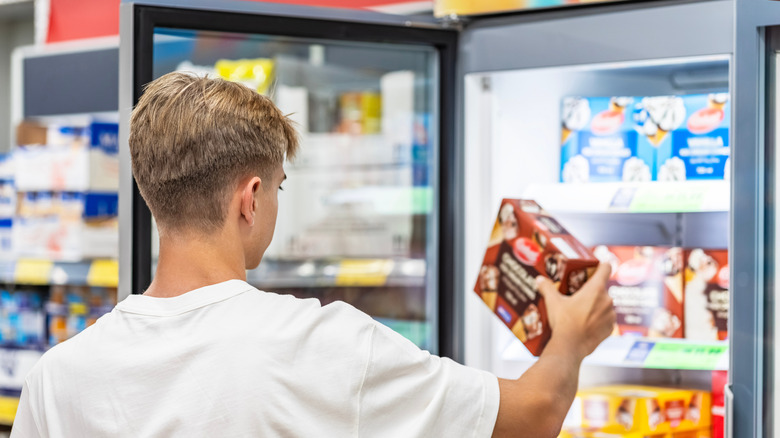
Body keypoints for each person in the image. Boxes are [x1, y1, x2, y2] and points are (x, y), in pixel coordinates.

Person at [11, 72, 615, 437]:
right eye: (277, 189)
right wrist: (571, 339)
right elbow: (532, 417)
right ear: (250, 199)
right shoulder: (322, 344)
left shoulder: (57, 377)